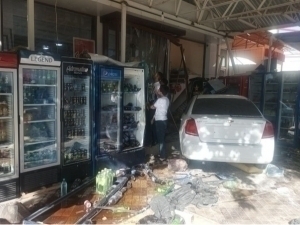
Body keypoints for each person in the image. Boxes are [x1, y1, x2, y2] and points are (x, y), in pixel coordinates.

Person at [150, 84, 170, 161]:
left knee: (161, 139)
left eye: (158, 90)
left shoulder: (160, 100)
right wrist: (153, 118)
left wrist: (148, 105)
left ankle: (162, 156)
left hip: (160, 121)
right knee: (161, 138)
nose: (157, 91)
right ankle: (162, 154)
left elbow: (153, 107)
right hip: (163, 120)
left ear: (161, 91)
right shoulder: (166, 99)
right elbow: (158, 110)